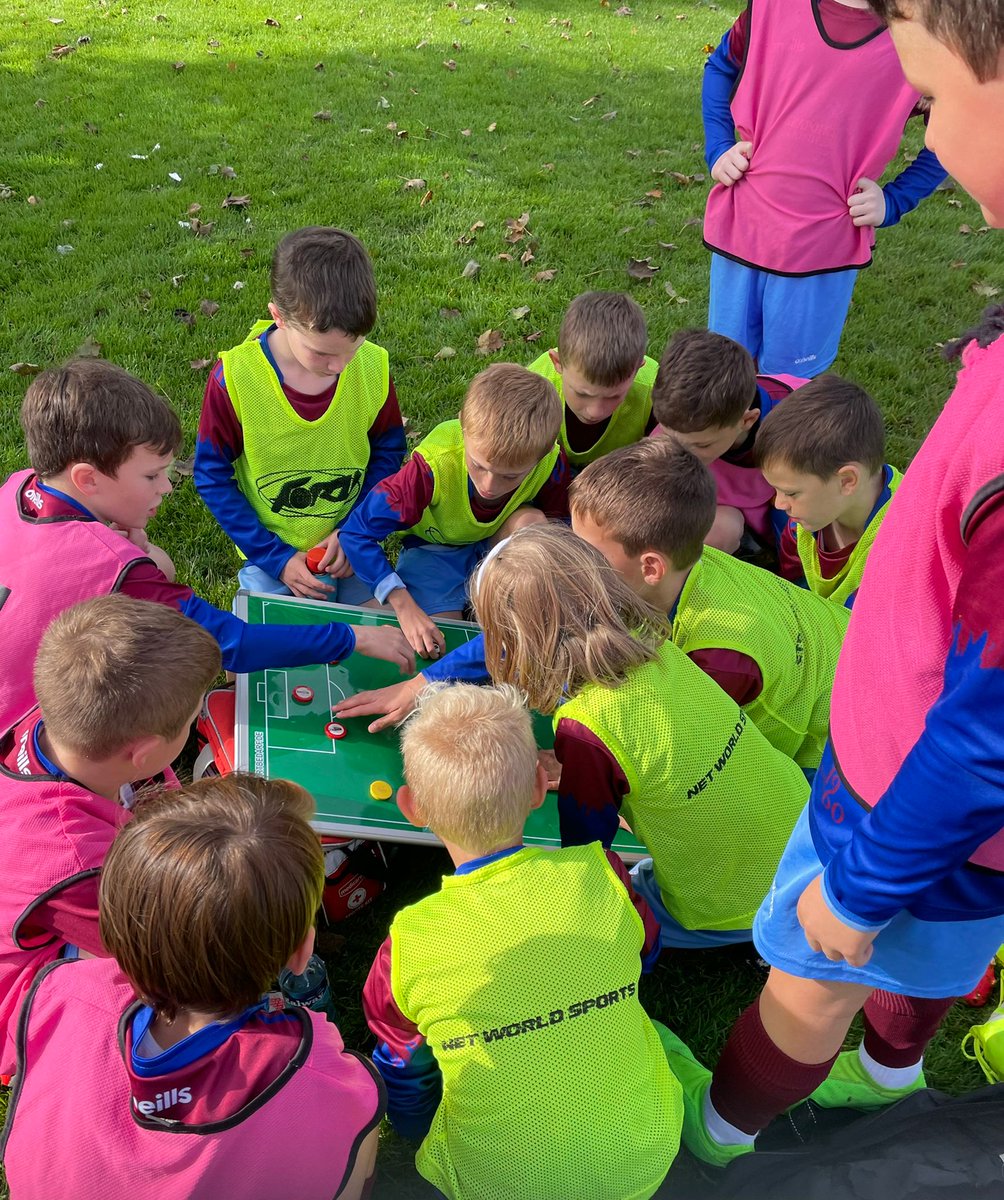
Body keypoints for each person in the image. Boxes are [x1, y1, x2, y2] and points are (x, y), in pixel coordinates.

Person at [663, 0, 1004, 1167]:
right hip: (958, 839)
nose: (934, 144)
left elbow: (987, 727)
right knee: (942, 962)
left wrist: (857, 891)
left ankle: (715, 1136)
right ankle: (892, 1070)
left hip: (900, 807)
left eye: (935, 102)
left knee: (809, 985)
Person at [362, 682, 682, 1200]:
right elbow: (647, 952)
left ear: (412, 807)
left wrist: (417, 1131)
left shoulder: (409, 942)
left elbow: (403, 1067)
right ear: (540, 786)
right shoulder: (603, 872)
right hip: (648, 1154)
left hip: (492, 1185)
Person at [1, 772, 384, 1200]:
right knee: (361, 1143)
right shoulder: (319, 1073)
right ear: (301, 954)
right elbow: (353, 1152)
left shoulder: (64, 992)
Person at [0, 359, 413, 730]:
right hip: (24, 729)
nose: (166, 487)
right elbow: (228, 642)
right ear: (87, 479)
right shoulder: (116, 569)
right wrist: (352, 638)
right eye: (151, 476)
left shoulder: (21, 485)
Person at [473, 524, 809, 949]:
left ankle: (757, 938)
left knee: (615, 898)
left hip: (740, 899)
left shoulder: (586, 728)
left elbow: (586, 849)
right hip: (801, 832)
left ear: (516, 639)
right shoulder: (661, 648)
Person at [0, 595, 221, 1077]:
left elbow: (148, 790)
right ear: (142, 752)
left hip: (52, 896)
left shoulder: (57, 725)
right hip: (18, 993)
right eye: (190, 723)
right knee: (180, 982)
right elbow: (156, 942)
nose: (193, 725)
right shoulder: (74, 862)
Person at [569, 437, 849, 771]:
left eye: (588, 554)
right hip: (846, 642)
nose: (574, 562)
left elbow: (680, 747)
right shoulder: (684, 561)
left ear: (650, 568)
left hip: (837, 748)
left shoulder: (717, 658)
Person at [701, 0, 946, 377]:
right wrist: (718, 147)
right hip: (743, 226)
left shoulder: (922, 37)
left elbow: (954, 130)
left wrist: (895, 200)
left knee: (786, 384)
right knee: (723, 369)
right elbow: (721, 66)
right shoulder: (772, 7)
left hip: (823, 247)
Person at [195, 226, 405, 603]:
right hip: (272, 553)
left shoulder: (372, 367)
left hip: (351, 541)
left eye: (353, 348)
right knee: (265, 650)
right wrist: (275, 558)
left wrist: (356, 528)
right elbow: (212, 476)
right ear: (279, 317)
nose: (340, 366)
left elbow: (388, 452)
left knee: (383, 644)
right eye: (322, 353)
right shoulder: (236, 379)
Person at [339, 362, 569, 658]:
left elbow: (558, 534)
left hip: (495, 541)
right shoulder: (431, 467)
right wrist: (404, 606)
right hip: (436, 549)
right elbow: (356, 532)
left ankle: (506, 604)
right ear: (463, 427)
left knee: (536, 526)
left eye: (510, 476)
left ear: (545, 452)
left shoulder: (553, 462)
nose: (489, 485)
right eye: (478, 465)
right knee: (440, 646)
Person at [650, 327, 805, 554]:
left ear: (748, 420)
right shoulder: (684, 415)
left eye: (702, 445)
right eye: (669, 436)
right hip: (724, 511)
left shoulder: (801, 428)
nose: (680, 455)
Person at [754, 373, 901, 608]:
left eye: (790, 493)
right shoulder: (807, 518)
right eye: (776, 490)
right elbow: (794, 579)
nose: (779, 503)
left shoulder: (901, 551)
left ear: (847, 480)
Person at [526, 290, 657, 471]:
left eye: (613, 396)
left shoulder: (658, 392)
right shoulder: (533, 388)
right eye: (582, 393)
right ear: (558, 363)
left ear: (636, 370)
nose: (595, 412)